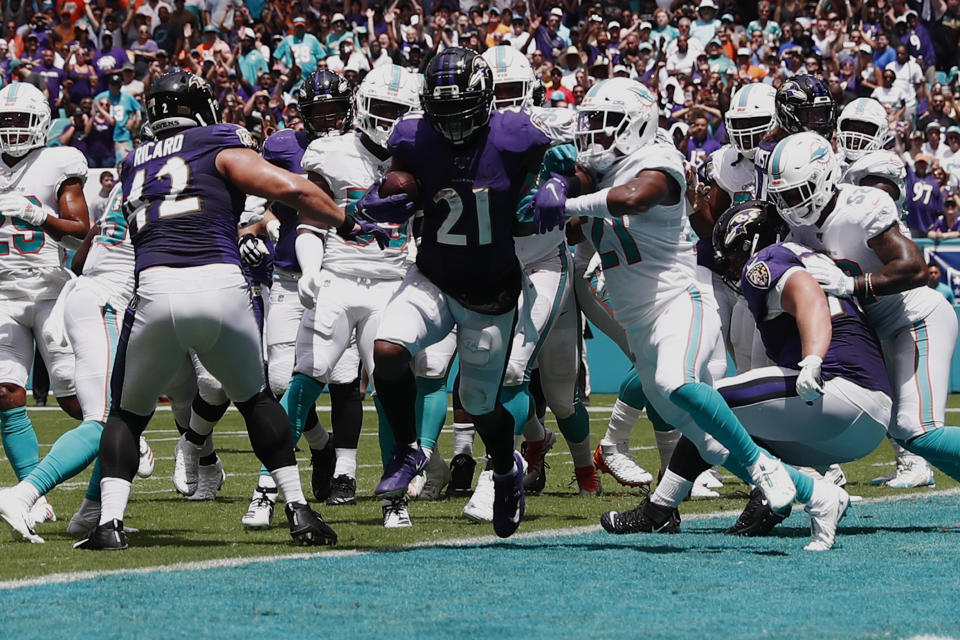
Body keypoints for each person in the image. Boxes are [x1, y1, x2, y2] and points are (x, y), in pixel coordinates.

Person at [73, 70, 375, 550]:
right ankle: (297, 510)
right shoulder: (218, 140)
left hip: (153, 289)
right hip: (218, 284)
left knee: (127, 416)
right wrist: (346, 219)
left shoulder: (133, 162)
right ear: (200, 107)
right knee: (256, 399)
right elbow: (290, 189)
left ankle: (109, 524)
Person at [535, 77, 805, 544]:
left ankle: (762, 469)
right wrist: (553, 181)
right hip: (640, 320)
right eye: (590, 124)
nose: (593, 135)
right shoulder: (601, 171)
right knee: (707, 440)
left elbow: (634, 197)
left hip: (682, 298)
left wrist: (566, 201)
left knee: (675, 383)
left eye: (604, 125)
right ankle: (817, 493)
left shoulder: (657, 159)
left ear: (635, 126)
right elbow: (577, 231)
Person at [355, 48, 553, 539]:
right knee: (388, 348)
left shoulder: (516, 135)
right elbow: (400, 183)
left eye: (462, 114)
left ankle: (506, 472)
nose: (454, 127)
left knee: (480, 403)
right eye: (443, 116)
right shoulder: (412, 134)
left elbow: (567, 160)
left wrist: (559, 181)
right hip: (434, 276)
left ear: (485, 103)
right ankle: (406, 450)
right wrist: (384, 198)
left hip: (490, 290)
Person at [645, 200, 891, 550]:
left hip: (839, 393)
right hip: (866, 423)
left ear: (753, 243)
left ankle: (664, 508)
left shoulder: (767, 259)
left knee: (704, 402)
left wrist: (813, 359)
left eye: (733, 256)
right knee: (729, 429)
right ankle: (666, 507)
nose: (730, 267)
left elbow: (809, 298)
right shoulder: (808, 256)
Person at [771, 131, 960, 503]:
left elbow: (915, 268)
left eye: (797, 192)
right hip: (874, 333)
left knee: (916, 429)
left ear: (825, 179)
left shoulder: (862, 206)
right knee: (893, 427)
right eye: (783, 197)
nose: (791, 205)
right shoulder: (798, 223)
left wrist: (851, 284)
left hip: (913, 319)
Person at [236, 70, 365, 530]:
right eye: (318, 111)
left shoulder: (361, 144)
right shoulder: (283, 145)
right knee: (277, 381)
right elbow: (269, 198)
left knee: (345, 375)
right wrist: (253, 227)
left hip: (340, 270)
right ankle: (318, 443)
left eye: (334, 110)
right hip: (289, 274)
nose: (327, 119)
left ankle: (346, 471)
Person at [296, 65, 417, 527]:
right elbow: (310, 220)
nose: (389, 119)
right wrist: (310, 270)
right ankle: (272, 487)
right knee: (307, 377)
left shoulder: (420, 155)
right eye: (382, 109)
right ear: (362, 107)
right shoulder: (331, 151)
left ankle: (395, 497)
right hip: (339, 276)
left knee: (389, 388)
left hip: (392, 282)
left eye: (399, 111)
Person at [0, 82, 91, 538]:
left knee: (77, 401)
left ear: (41, 123)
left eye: (20, 121)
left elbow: (81, 231)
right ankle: (30, 494)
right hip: (3, 293)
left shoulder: (59, 163)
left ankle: (120, 435)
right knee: (5, 393)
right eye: (6, 121)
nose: (12, 130)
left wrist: (38, 216)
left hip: (51, 292)